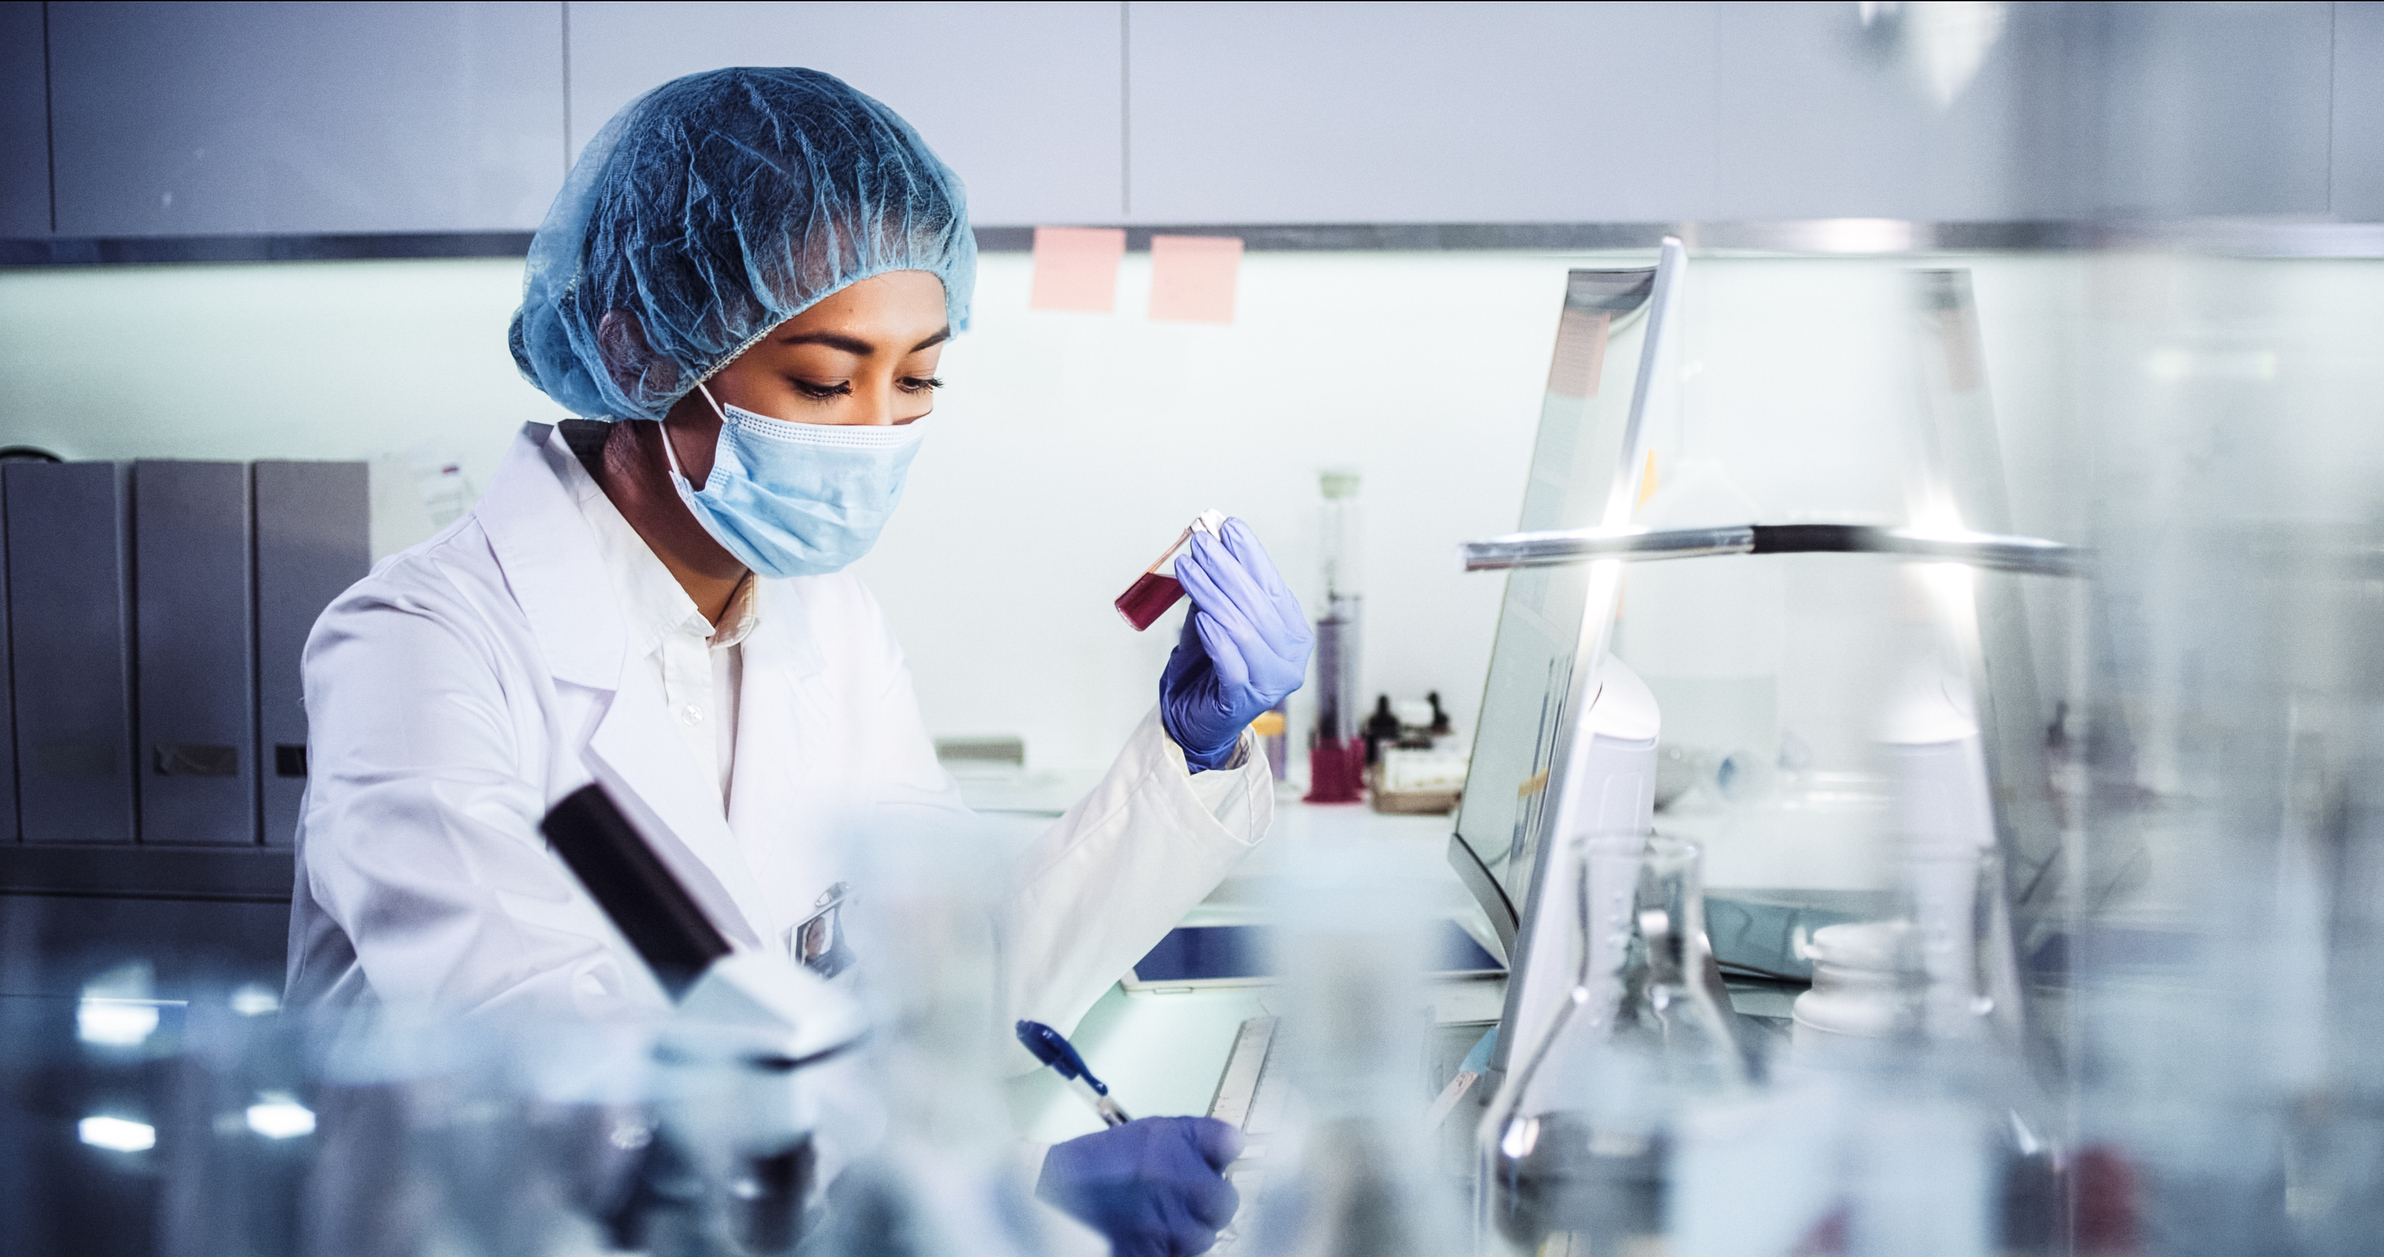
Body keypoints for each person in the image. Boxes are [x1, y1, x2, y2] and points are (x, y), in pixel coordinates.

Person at [283, 67, 1310, 1255]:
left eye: (918, 377)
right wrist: (1015, 1183)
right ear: (636, 351)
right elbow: (557, 1077)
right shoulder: (420, 647)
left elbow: (946, 998)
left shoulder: (828, 623)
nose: (879, 432)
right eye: (826, 381)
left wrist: (1192, 751)